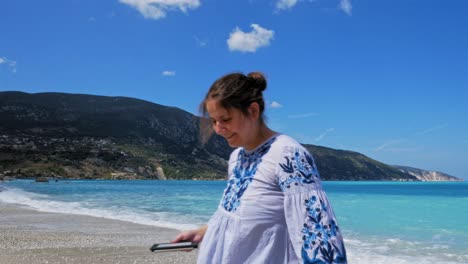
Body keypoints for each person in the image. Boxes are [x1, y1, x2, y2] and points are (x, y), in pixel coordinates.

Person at [172, 72, 347, 264]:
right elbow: (234, 215)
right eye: (214, 121)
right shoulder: (236, 157)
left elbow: (317, 233)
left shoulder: (288, 155)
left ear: (253, 111)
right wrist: (204, 232)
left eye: (226, 119)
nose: (218, 129)